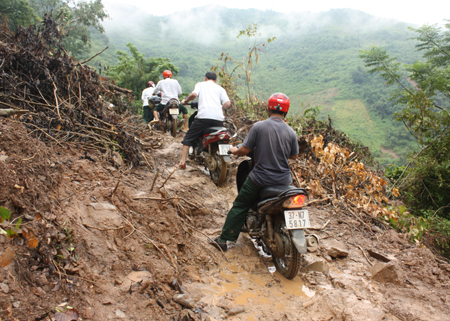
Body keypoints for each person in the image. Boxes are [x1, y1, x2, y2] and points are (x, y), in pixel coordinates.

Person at [210, 93, 299, 252]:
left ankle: (223, 240)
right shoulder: (291, 132)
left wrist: (232, 150)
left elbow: (244, 150)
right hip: (285, 181)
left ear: (268, 108)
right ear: (286, 111)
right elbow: (293, 155)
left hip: (260, 179)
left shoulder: (259, 126)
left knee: (240, 205)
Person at [178, 71, 231, 169]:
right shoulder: (220, 89)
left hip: (203, 117)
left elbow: (194, 95)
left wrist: (185, 101)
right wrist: (220, 108)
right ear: (215, 80)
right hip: (218, 119)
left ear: (205, 78)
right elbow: (227, 103)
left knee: (188, 138)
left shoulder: (200, 84)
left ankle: (182, 162)